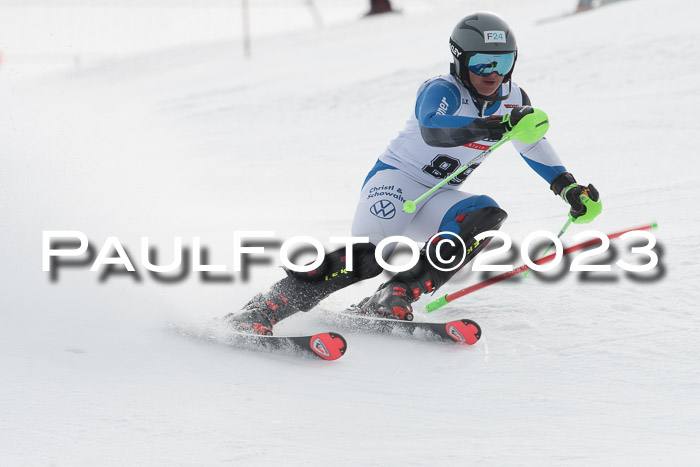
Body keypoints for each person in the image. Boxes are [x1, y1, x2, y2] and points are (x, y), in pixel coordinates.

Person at [225, 11, 601, 335]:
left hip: (434, 196)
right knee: (369, 258)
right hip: (394, 183)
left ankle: (395, 295)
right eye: (482, 63)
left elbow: (532, 143)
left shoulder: (515, 99)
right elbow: (435, 130)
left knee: (485, 215)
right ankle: (261, 309)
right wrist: (495, 126)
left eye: (502, 63)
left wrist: (567, 187)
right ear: (460, 60)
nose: (493, 74)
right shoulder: (441, 89)